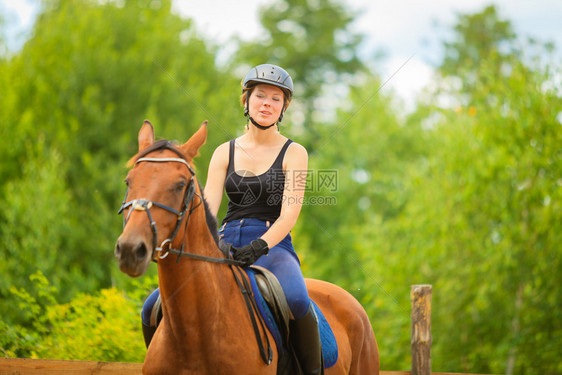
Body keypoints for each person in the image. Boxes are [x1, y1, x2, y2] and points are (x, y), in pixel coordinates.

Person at [141, 64, 323, 375]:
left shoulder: (295, 152)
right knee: (152, 306)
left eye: (275, 99)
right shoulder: (225, 151)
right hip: (222, 242)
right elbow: (208, 208)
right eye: (260, 96)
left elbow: (290, 212)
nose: (266, 103)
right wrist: (211, 242)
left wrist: (260, 245)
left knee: (295, 298)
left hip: (272, 246)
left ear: (283, 108)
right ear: (246, 101)